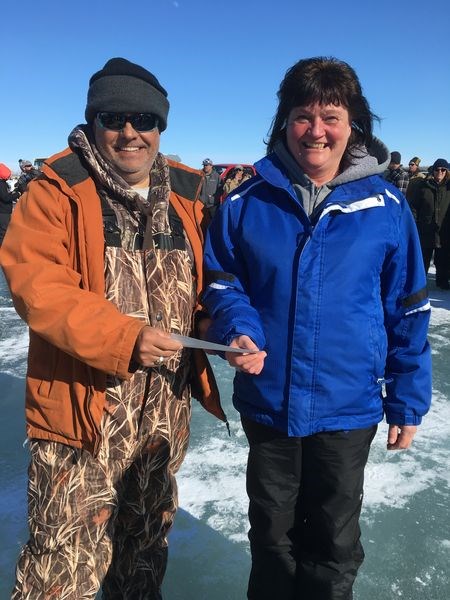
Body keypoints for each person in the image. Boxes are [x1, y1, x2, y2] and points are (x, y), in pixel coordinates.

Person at [202, 56, 431, 600]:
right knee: (273, 537)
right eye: (303, 115)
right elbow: (222, 282)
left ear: (354, 125)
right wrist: (237, 326)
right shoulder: (244, 201)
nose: (317, 130)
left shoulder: (388, 206)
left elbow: (409, 309)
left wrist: (407, 399)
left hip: (346, 404)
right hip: (269, 399)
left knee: (332, 539)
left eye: (331, 115)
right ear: (284, 122)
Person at [0, 57, 226, 599]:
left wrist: (223, 326)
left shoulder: (190, 198)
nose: (130, 133)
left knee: (144, 555)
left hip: (161, 419)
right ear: (93, 121)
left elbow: (211, 284)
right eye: (113, 117)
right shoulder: (56, 191)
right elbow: (39, 287)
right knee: (63, 565)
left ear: (160, 127)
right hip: (80, 414)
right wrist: (125, 338)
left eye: (144, 120)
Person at [410, 158, 450, 289]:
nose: (440, 172)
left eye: (443, 170)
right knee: (423, 259)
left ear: (447, 171)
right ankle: (419, 284)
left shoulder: (449, 187)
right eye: (437, 169)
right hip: (425, 229)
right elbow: (414, 207)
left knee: (442, 259)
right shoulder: (423, 185)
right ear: (433, 170)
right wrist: (415, 224)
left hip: (444, 231)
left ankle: (442, 282)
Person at [0, 163, 17, 245]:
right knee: (4, 231)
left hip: (3, 211)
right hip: (3, 212)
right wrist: (17, 194)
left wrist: (12, 193)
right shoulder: (1, 184)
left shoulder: (3, 183)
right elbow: (5, 198)